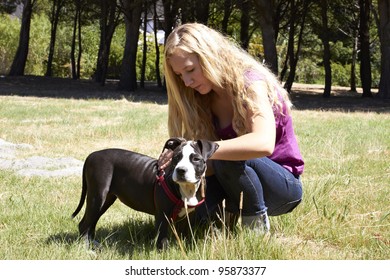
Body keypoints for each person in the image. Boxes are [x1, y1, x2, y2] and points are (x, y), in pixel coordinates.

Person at [159, 23, 304, 234]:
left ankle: (255, 232)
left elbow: (263, 143)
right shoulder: (202, 98)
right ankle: (221, 221)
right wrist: (178, 162)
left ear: (210, 57)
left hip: (282, 188)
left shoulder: (251, 83)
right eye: (180, 75)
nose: (187, 82)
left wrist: (206, 149)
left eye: (190, 70)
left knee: (226, 155)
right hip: (233, 184)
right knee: (195, 225)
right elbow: (207, 165)